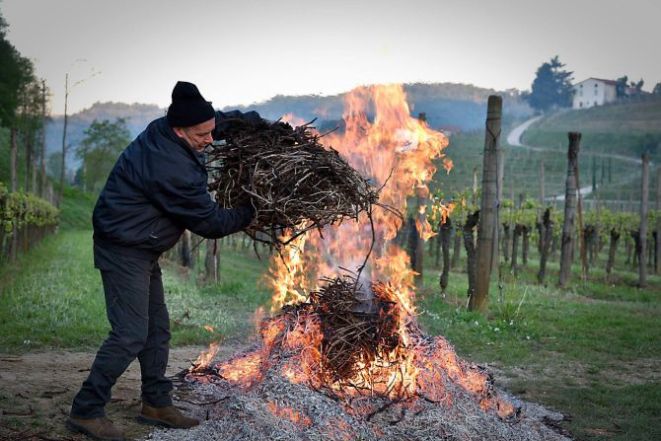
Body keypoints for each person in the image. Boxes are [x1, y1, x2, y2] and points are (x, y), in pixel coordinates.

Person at [67, 81, 262, 441]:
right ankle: (86, 410)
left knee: (156, 330)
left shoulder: (177, 128)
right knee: (129, 335)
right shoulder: (170, 165)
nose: (210, 139)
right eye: (202, 135)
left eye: (210, 131)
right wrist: (251, 211)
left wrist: (263, 125)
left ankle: (156, 404)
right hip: (123, 247)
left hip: (142, 244)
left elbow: (219, 122)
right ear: (179, 130)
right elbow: (211, 223)